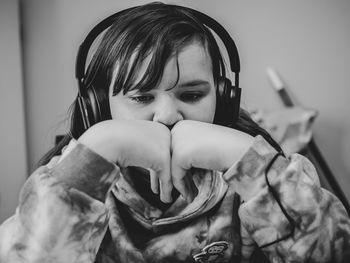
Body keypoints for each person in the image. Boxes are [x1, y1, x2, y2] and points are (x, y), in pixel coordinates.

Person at [0, 2, 349, 263]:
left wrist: (251, 161)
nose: (167, 116)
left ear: (223, 99)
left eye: (192, 95)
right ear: (100, 106)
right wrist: (100, 146)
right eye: (141, 96)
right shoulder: (74, 183)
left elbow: (332, 251)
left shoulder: (251, 180)